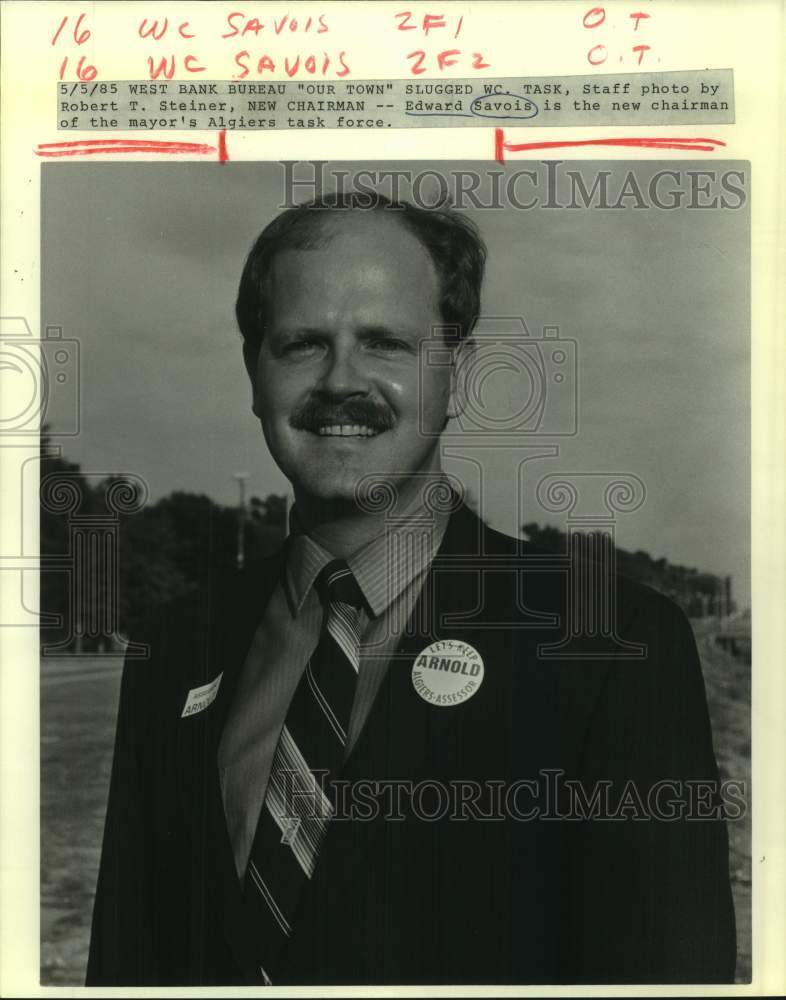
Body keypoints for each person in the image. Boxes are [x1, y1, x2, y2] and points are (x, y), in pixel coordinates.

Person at [86, 192, 736, 986]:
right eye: (300, 345)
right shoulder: (176, 645)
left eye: (385, 343)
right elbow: (126, 960)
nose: (340, 381)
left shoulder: (612, 646)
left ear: (457, 377)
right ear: (255, 373)